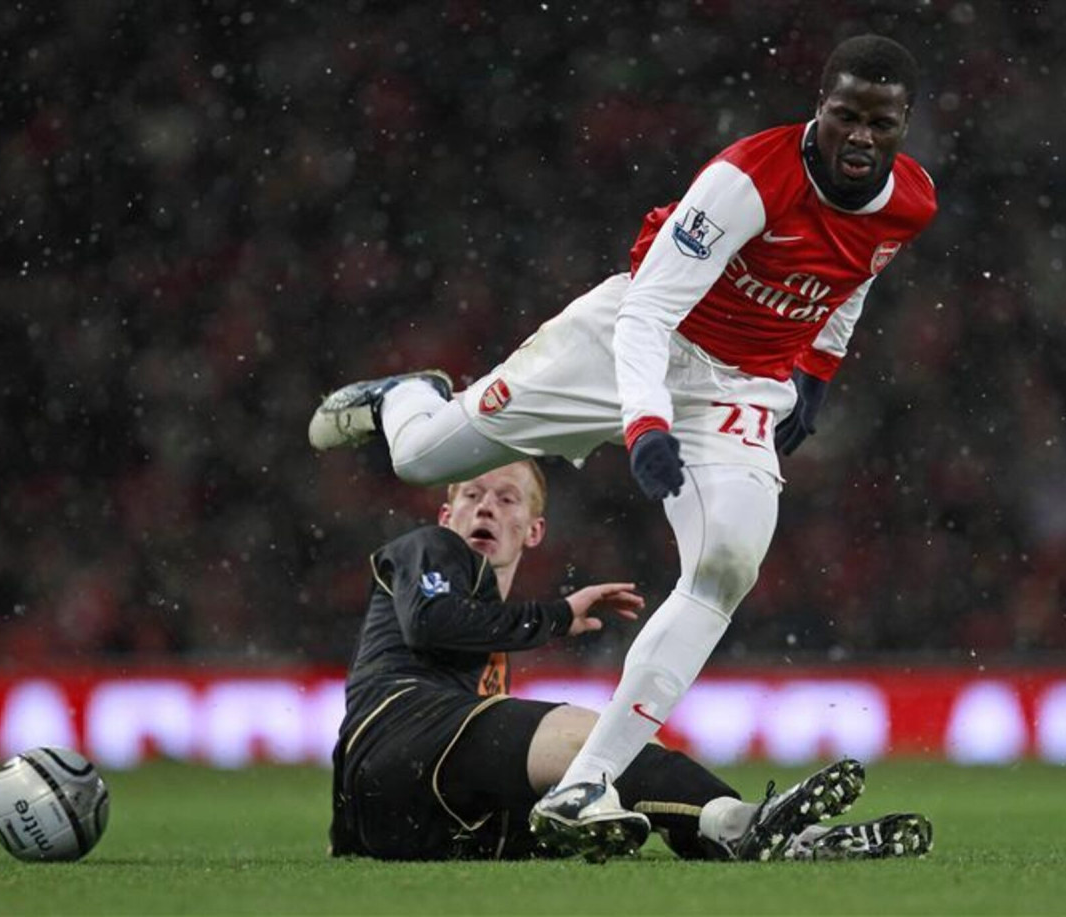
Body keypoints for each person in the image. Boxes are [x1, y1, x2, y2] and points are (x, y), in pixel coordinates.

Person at [312, 34, 937, 856]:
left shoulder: (912, 202)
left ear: (904, 125)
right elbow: (647, 314)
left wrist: (816, 369)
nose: (860, 135)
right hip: (628, 342)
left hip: (737, 383)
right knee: (423, 458)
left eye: (879, 122)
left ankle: (585, 780)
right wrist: (643, 425)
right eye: (845, 115)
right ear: (818, 110)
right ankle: (407, 395)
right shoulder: (747, 180)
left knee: (726, 565)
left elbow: (850, 280)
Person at [328, 460, 933, 862]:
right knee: (591, 742)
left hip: (415, 819)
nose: (485, 508)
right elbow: (431, 621)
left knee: (589, 804)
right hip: (396, 736)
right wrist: (558, 615)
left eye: (505, 497)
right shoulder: (428, 547)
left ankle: (793, 839)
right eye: (470, 495)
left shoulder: (485, 627)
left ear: (533, 530)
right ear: (446, 516)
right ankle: (746, 823)